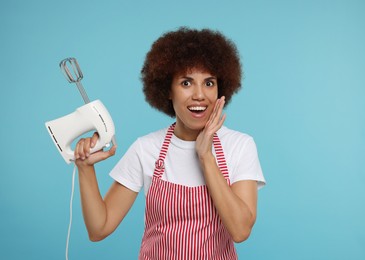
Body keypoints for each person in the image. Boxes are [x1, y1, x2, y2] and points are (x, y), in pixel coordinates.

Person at [75, 27, 266, 259]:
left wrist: (205, 156)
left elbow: (240, 230)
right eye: (186, 83)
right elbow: (99, 229)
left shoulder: (240, 146)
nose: (199, 95)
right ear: (167, 90)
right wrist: (85, 168)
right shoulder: (146, 148)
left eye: (208, 83)